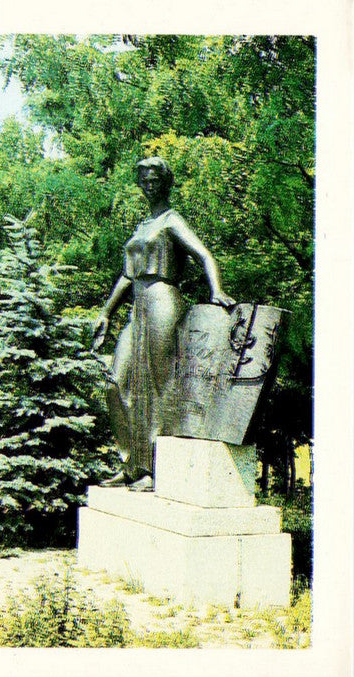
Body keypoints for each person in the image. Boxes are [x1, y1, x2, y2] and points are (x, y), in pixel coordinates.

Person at [91, 157, 234, 490]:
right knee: (115, 382)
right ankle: (131, 465)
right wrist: (106, 312)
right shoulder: (142, 226)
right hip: (137, 306)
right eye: (143, 179)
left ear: (166, 183)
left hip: (162, 302)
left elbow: (203, 255)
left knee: (160, 386)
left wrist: (217, 290)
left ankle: (157, 469)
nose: (148, 184)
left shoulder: (172, 221)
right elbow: (128, 275)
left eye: (154, 179)